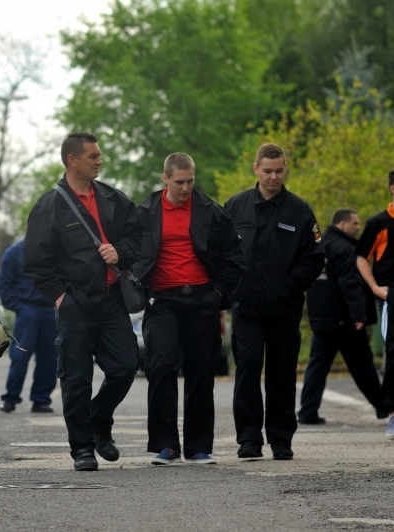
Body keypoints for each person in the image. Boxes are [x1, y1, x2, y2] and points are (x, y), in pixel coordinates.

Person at [24, 132, 142, 472]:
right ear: (72, 160)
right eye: (93, 156)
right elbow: (35, 262)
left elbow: (137, 238)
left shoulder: (113, 199)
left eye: (99, 155)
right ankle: (83, 448)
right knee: (76, 379)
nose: (100, 161)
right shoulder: (50, 205)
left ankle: (97, 420)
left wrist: (120, 252)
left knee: (123, 368)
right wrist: (60, 297)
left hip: (112, 301)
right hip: (76, 304)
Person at [134, 153, 244, 465]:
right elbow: (130, 254)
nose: (185, 187)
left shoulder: (211, 211)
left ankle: (198, 447)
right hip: (162, 302)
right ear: (165, 179)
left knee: (200, 373)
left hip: (202, 300)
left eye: (190, 181)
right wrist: (143, 293)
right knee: (161, 367)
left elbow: (234, 256)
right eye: (179, 182)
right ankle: (165, 445)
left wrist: (218, 293)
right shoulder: (145, 212)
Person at [224, 143, 324, 461]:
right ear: (256, 168)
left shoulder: (299, 210)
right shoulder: (236, 206)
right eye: (267, 171)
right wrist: (231, 288)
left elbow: (314, 257)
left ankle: (281, 439)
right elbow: (221, 252)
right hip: (247, 307)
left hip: (284, 308)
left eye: (279, 170)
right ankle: (249, 439)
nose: (273, 177)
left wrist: (290, 287)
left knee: (282, 374)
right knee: (248, 370)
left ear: (285, 168)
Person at [298, 209, 386, 424]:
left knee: (317, 367)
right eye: (355, 223)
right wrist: (359, 315)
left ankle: (308, 412)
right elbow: (350, 285)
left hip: (322, 317)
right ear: (342, 224)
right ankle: (385, 407)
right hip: (344, 318)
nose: (358, 227)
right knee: (363, 366)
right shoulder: (346, 249)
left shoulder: (317, 245)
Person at [356, 166, 394, 440]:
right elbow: (360, 258)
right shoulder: (379, 222)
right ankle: (393, 416)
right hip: (392, 298)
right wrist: (376, 288)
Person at [0, 236, 58, 413]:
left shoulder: (54, 252)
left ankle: (41, 400)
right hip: (27, 310)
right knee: (20, 356)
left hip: (50, 309)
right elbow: (4, 285)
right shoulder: (13, 253)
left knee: (49, 359)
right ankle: (11, 398)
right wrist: (19, 308)